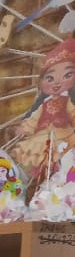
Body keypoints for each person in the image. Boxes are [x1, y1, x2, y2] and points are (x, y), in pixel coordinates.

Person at [10, 38, 75, 179]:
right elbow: (35, 118)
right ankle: (44, 174)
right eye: (50, 78)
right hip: (43, 135)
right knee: (41, 156)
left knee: (63, 155)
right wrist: (25, 128)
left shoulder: (68, 100)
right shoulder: (44, 103)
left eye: (67, 75)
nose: (57, 83)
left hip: (63, 132)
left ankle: (59, 174)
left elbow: (72, 112)